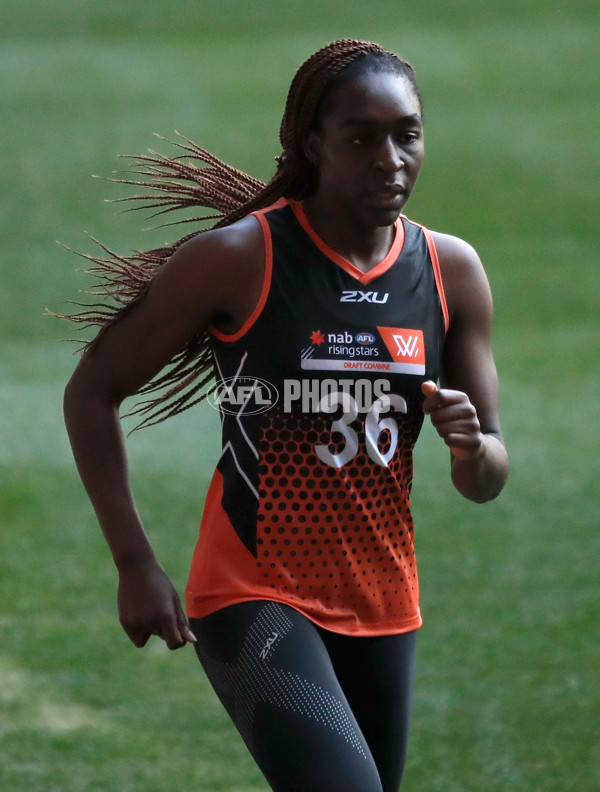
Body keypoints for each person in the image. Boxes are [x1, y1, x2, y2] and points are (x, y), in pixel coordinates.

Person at [63, 39, 509, 792]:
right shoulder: (240, 258)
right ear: (312, 143)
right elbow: (93, 389)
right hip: (253, 590)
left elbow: (487, 478)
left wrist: (471, 449)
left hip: (384, 598)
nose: (389, 159)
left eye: (406, 134)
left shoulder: (450, 271)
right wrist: (134, 561)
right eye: (360, 138)